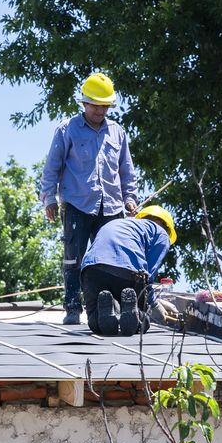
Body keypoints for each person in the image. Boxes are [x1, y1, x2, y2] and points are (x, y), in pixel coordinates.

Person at [38, 72, 140, 324]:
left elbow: (126, 170)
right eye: (96, 105)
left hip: (112, 207)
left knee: (113, 260)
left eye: (105, 105)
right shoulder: (68, 129)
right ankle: (73, 308)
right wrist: (49, 198)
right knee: (74, 258)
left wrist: (130, 198)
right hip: (78, 205)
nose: (100, 110)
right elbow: (52, 167)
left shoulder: (117, 132)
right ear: (84, 102)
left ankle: (114, 308)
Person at [80, 205, 176, 336]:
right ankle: (135, 314)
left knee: (94, 319)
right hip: (128, 274)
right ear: (165, 226)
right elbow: (148, 275)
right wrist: (154, 304)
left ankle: (103, 314)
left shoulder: (118, 223)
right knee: (141, 320)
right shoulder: (161, 234)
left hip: (92, 270)